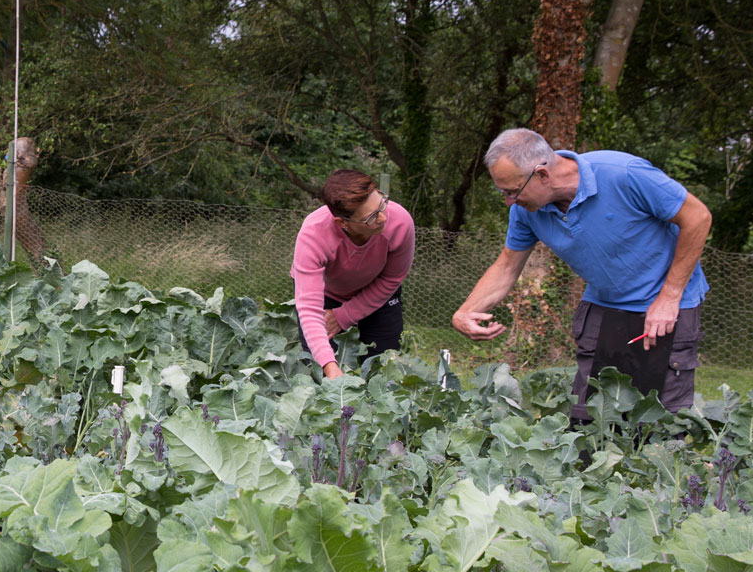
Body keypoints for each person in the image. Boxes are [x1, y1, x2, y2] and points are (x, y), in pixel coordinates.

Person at [452, 128, 711, 421]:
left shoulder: (623, 174)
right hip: (603, 304)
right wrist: (466, 311)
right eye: (503, 192)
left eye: (512, 191)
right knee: (589, 421)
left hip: (665, 307)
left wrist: (670, 297)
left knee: (658, 423)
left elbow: (697, 217)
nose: (509, 202)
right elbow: (508, 266)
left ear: (542, 175)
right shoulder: (526, 211)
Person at [292, 169, 415, 379]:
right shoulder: (314, 233)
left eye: (382, 204)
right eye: (371, 217)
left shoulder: (400, 222)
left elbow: (391, 279)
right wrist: (330, 367)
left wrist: (344, 316)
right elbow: (309, 308)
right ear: (343, 223)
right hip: (327, 296)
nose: (384, 217)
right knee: (317, 374)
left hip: (380, 295)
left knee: (382, 374)